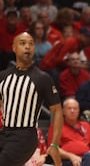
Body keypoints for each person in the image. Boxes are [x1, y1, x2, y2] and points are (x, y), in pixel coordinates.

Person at [0, 32, 63, 166]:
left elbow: (57, 111)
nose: (27, 47)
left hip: (25, 136)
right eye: (23, 43)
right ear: (14, 48)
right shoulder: (3, 76)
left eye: (31, 44)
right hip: (4, 132)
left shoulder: (42, 78)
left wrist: (55, 144)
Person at [54, 98, 90, 166]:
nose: (72, 111)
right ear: (63, 111)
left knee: (89, 156)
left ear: (78, 111)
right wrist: (71, 156)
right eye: (69, 108)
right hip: (67, 161)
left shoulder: (86, 125)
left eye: (75, 109)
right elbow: (53, 149)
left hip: (87, 158)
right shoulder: (57, 126)